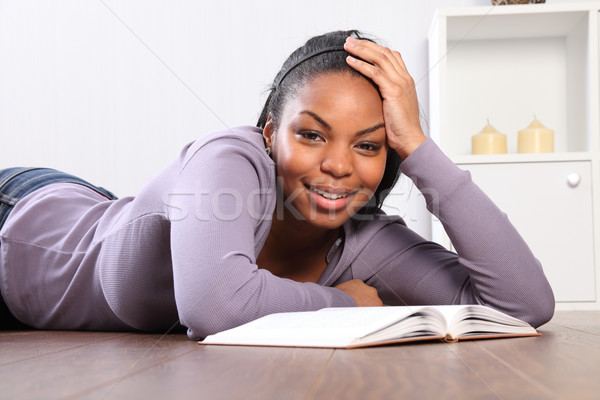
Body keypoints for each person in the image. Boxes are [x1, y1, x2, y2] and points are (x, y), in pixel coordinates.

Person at [0, 30, 554, 338]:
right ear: (270, 133)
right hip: (20, 220)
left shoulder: (370, 242)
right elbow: (213, 307)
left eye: (368, 145)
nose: (339, 165)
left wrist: (420, 149)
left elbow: (523, 305)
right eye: (312, 135)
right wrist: (341, 303)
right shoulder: (228, 159)